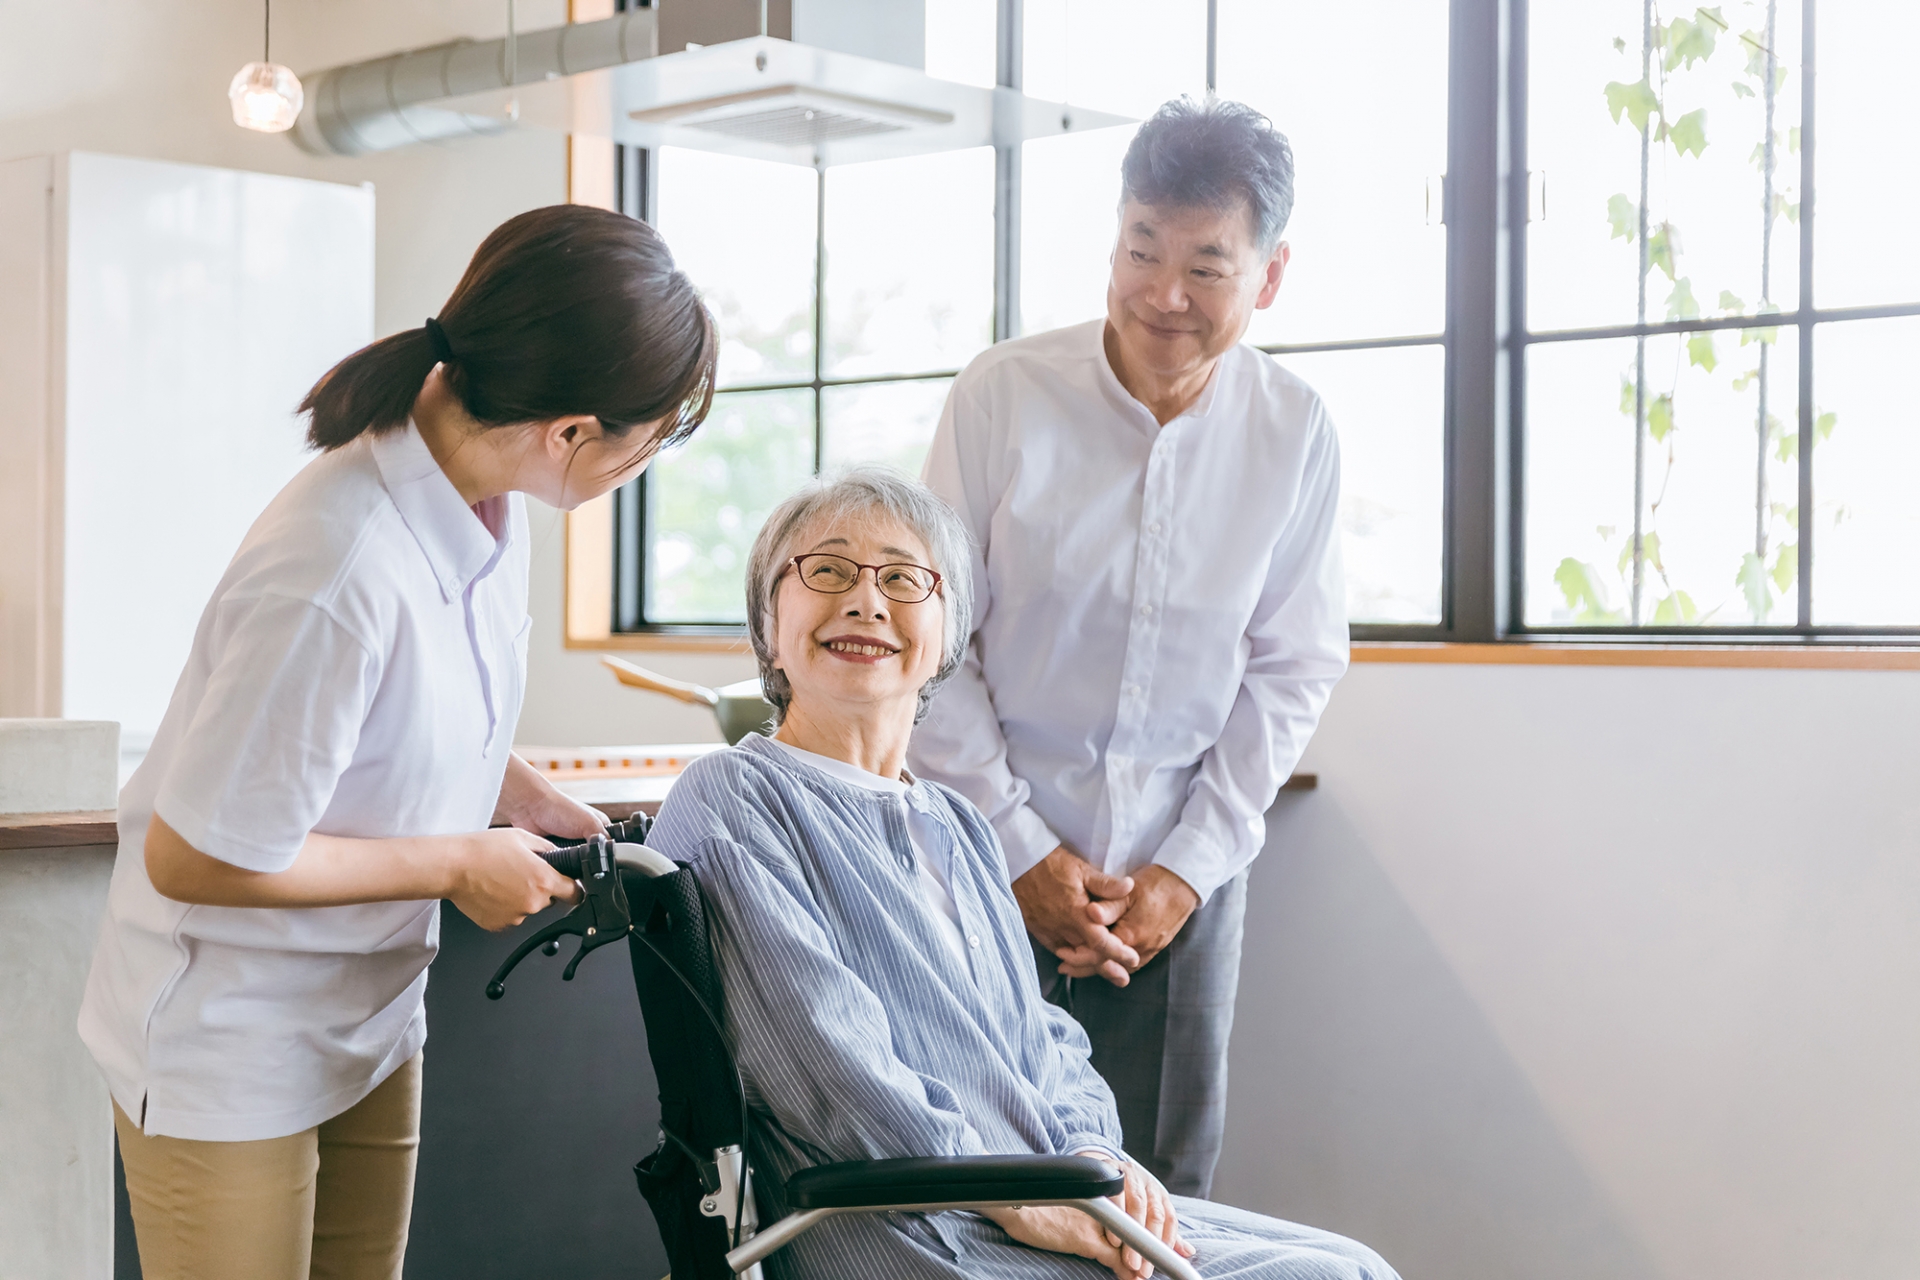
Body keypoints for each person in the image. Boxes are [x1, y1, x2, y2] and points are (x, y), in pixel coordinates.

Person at [78, 205, 716, 1280]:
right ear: (568, 430)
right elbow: (195, 853)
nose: (639, 465)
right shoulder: (337, 564)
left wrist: (515, 790)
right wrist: (456, 860)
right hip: (231, 1039)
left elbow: (397, 707)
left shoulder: (486, 500)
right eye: (645, 441)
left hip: (371, 1014)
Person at [646, 468, 1391, 1280]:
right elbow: (826, 1063)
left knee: (1352, 1265)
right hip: (906, 1225)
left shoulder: (957, 823)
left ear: (947, 638)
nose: (866, 602)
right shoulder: (733, 797)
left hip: (1036, 1194)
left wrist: (1095, 1158)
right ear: (768, 617)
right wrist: (1019, 1198)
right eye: (828, 571)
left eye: (903, 579)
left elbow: (1044, 1042)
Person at [907, 97, 1348, 1198]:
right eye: (1141, 249)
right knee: (970, 1183)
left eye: (1207, 265)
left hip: (1180, 888)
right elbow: (933, 636)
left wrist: (1184, 874)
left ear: (1270, 275)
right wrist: (1019, 849)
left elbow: (1293, 663)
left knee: (1161, 1197)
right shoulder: (1003, 394)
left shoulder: (1294, 430)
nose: (1164, 294)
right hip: (978, 867)